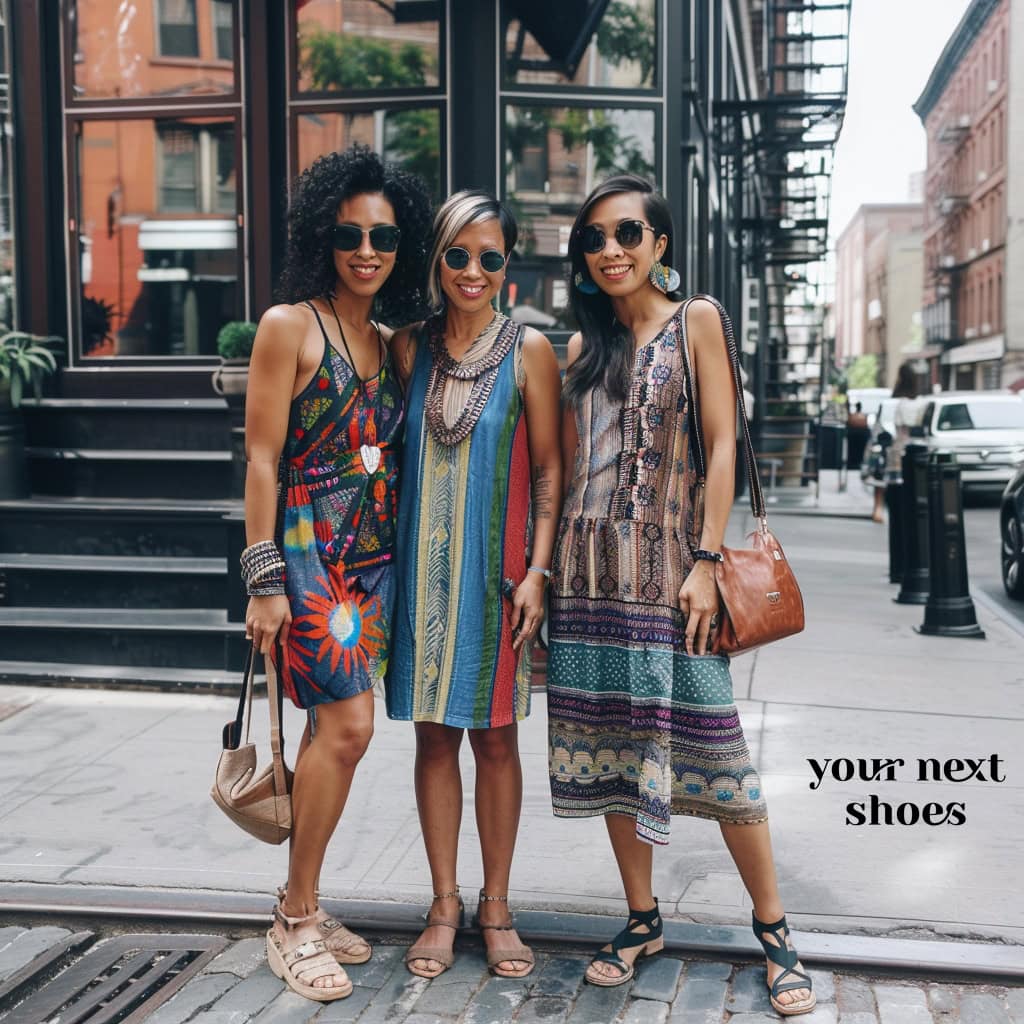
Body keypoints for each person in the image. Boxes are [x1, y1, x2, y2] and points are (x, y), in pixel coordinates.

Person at [547, 174, 815, 1016]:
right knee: (614, 761)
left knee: (723, 760)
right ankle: (641, 918)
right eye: (593, 239)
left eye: (627, 231)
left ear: (659, 243)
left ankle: (775, 931)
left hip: (671, 577)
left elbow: (724, 442)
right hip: (587, 582)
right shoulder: (579, 351)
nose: (611, 249)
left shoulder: (696, 318)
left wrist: (704, 558)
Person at [242, 145, 432, 1002]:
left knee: (336, 739)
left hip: (377, 561)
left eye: (384, 237)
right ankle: (294, 916)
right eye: (351, 233)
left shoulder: (389, 342)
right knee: (349, 729)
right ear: (325, 234)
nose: (366, 250)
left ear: (403, 247)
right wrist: (263, 577)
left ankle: (306, 903)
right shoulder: (291, 325)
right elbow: (259, 456)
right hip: (311, 554)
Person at [386, 190, 562, 981]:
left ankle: (496, 905)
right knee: (432, 736)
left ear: (506, 266)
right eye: (459, 254)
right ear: (436, 257)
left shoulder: (530, 351)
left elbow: (552, 471)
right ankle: (443, 903)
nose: (473, 271)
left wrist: (538, 572)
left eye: (490, 258)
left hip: (499, 581)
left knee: (495, 738)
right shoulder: (407, 348)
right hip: (422, 577)